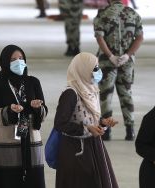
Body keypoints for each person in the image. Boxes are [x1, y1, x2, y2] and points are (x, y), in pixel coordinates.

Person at [0, 44, 48, 188]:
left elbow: (44, 113)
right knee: (9, 179)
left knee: (33, 179)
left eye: (21, 58)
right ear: (5, 62)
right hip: (7, 142)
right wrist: (10, 110)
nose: (18, 62)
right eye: (13, 59)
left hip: (31, 140)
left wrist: (38, 108)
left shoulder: (33, 82)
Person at [55, 52, 118, 188]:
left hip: (94, 146)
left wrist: (102, 123)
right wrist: (86, 129)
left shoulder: (91, 90)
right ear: (83, 69)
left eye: (98, 67)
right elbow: (60, 123)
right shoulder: (70, 93)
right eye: (94, 68)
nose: (98, 72)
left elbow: (88, 117)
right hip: (76, 150)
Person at [93, 0, 143, 140]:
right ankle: (130, 130)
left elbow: (99, 37)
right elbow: (139, 38)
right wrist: (128, 55)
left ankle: (106, 130)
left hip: (107, 62)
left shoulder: (103, 14)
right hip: (127, 62)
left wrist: (110, 56)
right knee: (126, 94)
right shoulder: (133, 14)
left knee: (105, 95)